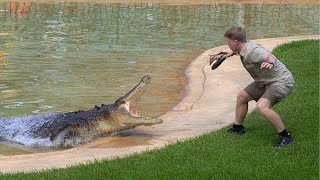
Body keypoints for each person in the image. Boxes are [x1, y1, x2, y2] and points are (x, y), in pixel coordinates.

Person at [220, 27, 295, 147]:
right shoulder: (243, 47)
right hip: (265, 81)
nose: (227, 44)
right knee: (242, 97)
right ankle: (238, 128)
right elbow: (239, 51)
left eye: (228, 42)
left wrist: (270, 63)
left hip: (281, 81)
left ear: (235, 42)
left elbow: (270, 57)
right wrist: (229, 54)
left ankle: (285, 136)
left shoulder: (254, 51)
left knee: (262, 106)